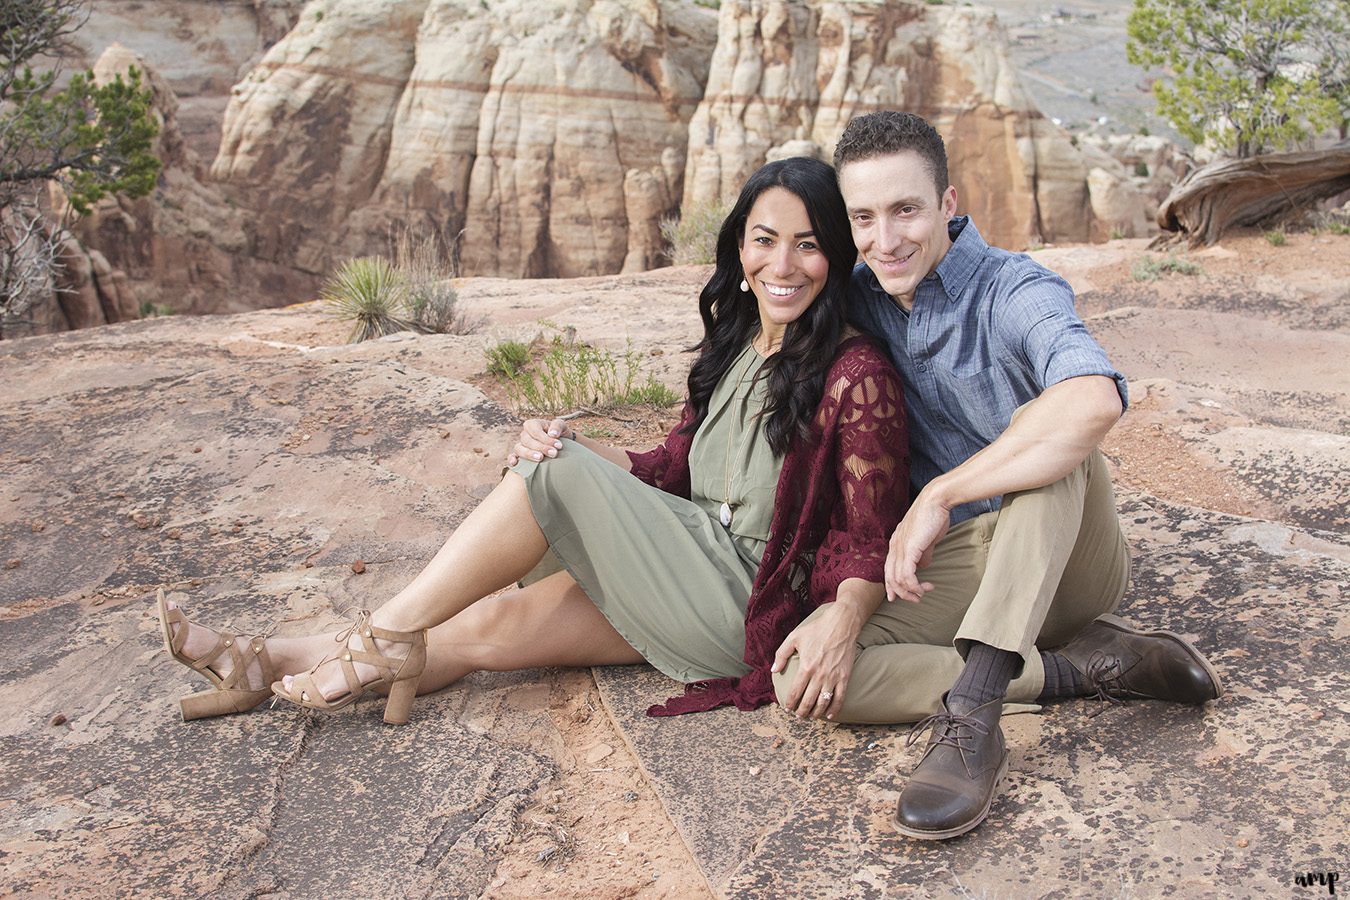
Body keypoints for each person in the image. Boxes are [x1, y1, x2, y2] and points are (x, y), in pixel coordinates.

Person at [156, 156, 910, 728]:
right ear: (738, 252)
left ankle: (380, 633)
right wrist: (562, 440)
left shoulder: (857, 375)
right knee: (487, 626)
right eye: (765, 241)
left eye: (808, 246)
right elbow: (671, 469)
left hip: (746, 597)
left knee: (549, 481)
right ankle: (268, 663)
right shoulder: (742, 342)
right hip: (682, 554)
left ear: (836, 258)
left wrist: (842, 623)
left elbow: (868, 539)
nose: (783, 266)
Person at [769, 111, 1223, 841]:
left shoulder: (1016, 291)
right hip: (961, 572)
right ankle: (1080, 670)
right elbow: (756, 314)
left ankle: (974, 713)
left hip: (1065, 558)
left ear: (948, 203)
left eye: (906, 210)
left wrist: (941, 493)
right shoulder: (859, 293)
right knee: (804, 678)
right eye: (864, 217)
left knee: (1046, 434)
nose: (886, 240)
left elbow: (1092, 398)